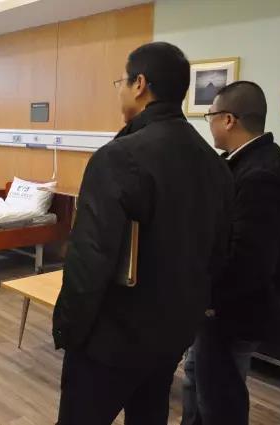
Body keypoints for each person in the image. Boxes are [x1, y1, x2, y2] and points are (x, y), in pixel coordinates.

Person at [52, 41, 233, 425]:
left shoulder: (119, 157)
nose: (119, 90)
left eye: (121, 81)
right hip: (172, 335)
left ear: (140, 84)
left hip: (111, 341)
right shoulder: (214, 165)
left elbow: (89, 260)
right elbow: (218, 253)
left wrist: (67, 329)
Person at [181, 81, 280, 425]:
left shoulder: (260, 174)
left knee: (220, 400)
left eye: (211, 116)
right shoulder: (244, 162)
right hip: (221, 307)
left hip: (232, 312)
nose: (210, 125)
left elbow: (249, 261)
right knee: (197, 381)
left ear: (229, 119)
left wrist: (209, 301)